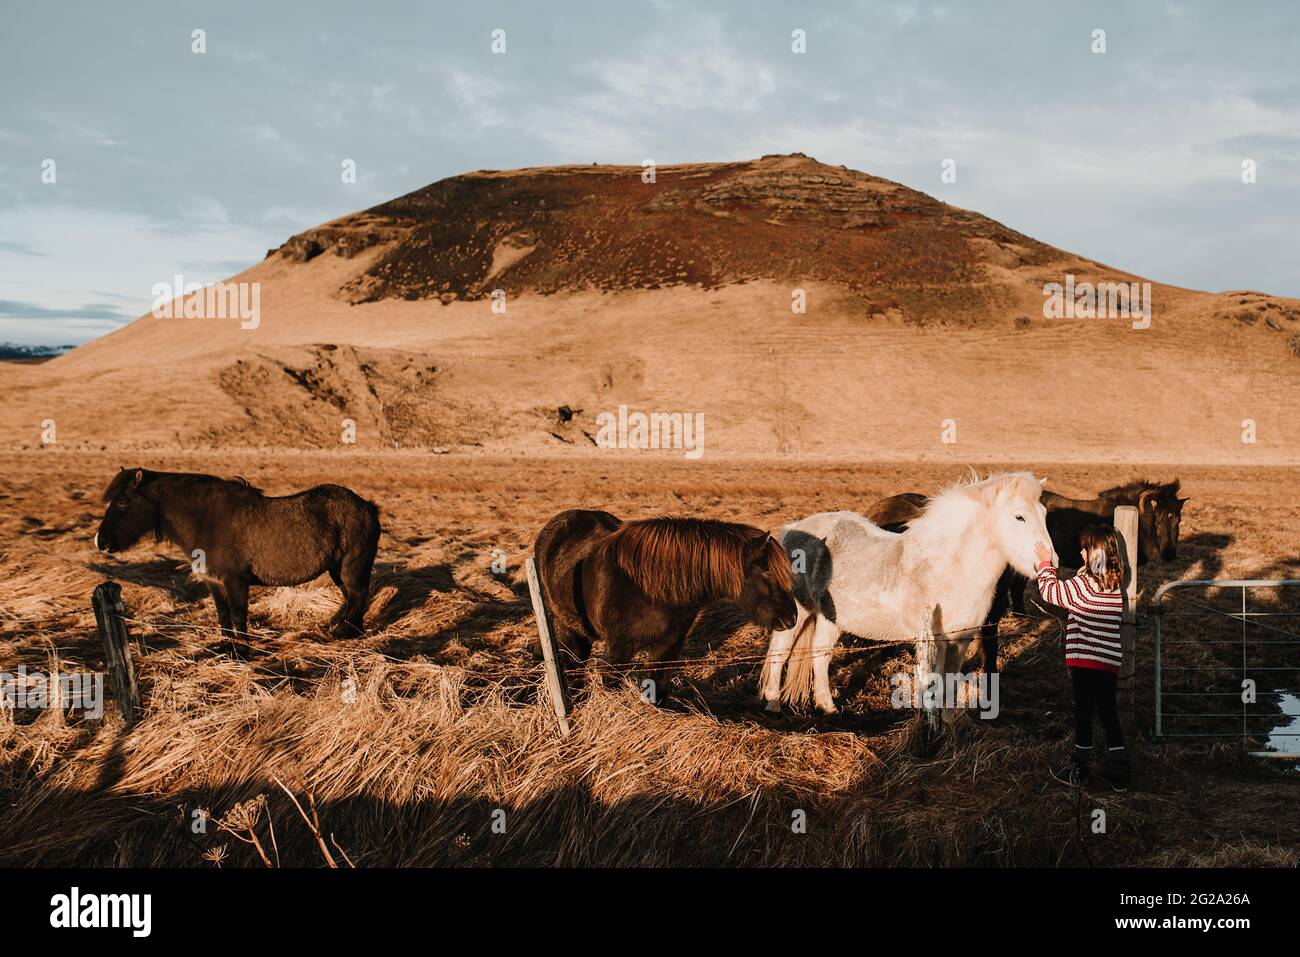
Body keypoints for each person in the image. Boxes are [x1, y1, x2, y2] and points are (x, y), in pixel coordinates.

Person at [1033, 526, 1130, 790]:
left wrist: (1045, 565)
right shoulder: (1114, 584)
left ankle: (1080, 769)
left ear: (1094, 554)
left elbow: (1051, 592)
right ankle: (1120, 773)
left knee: (1084, 714)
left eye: (1085, 549)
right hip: (1108, 663)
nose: (1080, 552)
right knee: (1109, 714)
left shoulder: (1083, 586)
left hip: (1085, 662)